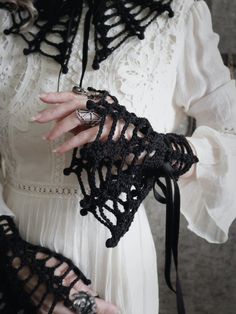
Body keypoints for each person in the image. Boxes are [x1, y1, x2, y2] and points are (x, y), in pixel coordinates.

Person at [0, 0, 236, 313]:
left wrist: (148, 146)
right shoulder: (7, 17)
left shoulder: (180, 13)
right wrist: (14, 260)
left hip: (118, 264)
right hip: (11, 255)